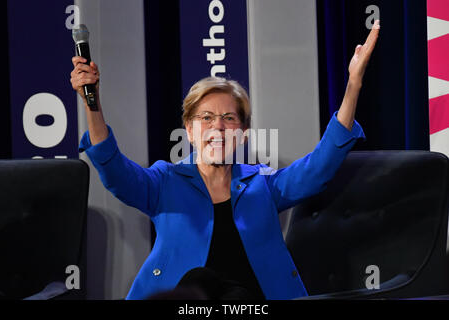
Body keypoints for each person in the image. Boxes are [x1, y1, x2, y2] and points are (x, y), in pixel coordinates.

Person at [70, 21, 380, 300]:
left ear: (243, 133)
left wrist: (353, 84)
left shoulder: (263, 184)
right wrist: (92, 105)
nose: (217, 126)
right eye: (205, 118)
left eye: (228, 118)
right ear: (189, 131)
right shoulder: (164, 182)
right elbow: (116, 173)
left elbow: (318, 169)